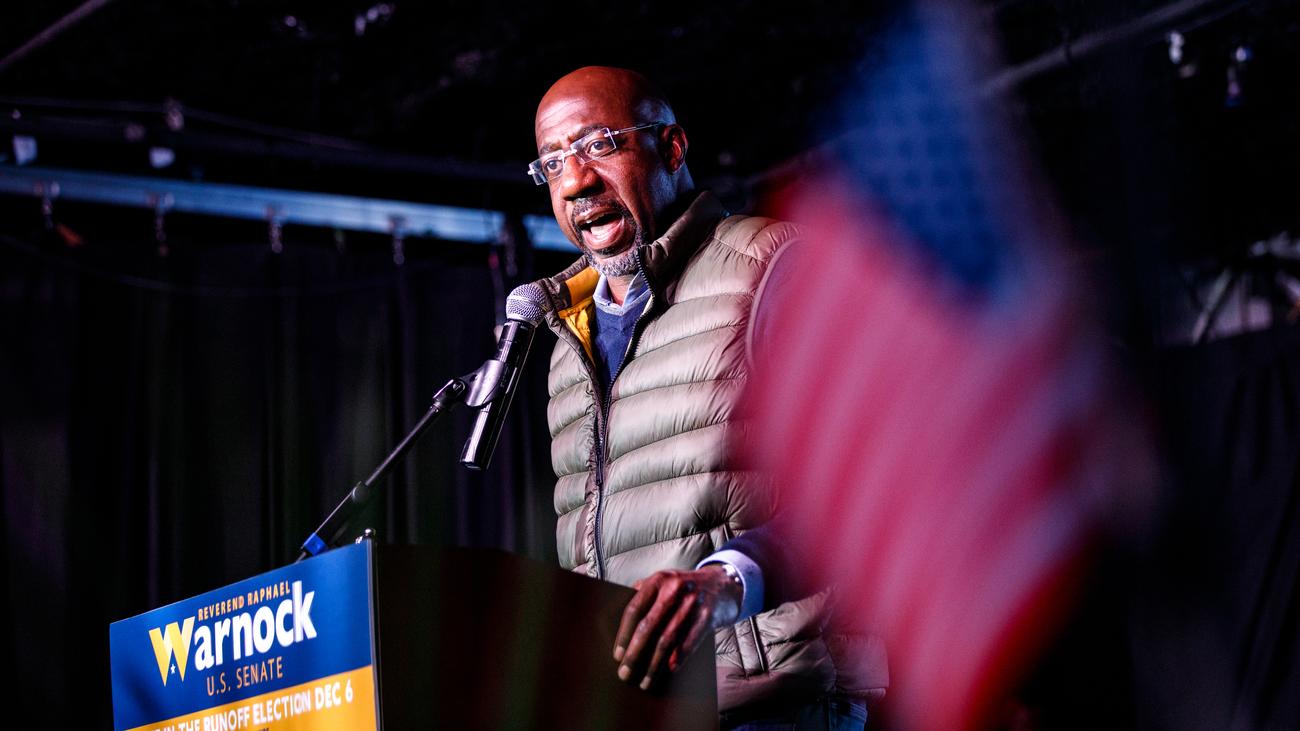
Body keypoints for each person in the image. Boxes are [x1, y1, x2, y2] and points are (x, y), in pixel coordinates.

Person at [525, 66, 886, 729]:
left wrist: (730, 579)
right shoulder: (564, 344)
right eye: (552, 162)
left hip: (775, 706)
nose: (575, 181)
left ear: (671, 147)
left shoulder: (772, 265)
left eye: (600, 144)